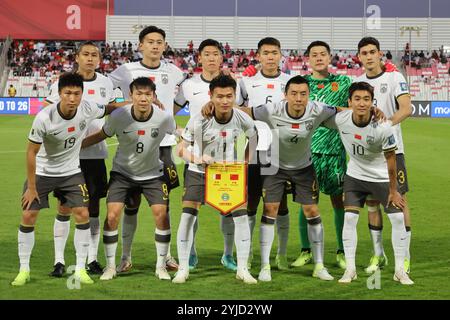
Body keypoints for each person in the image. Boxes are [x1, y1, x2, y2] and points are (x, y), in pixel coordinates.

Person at [11, 73, 117, 286]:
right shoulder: (44, 117)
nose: (72, 98)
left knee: (82, 213)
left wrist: (133, 102)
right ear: (59, 94)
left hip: (71, 172)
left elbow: (109, 109)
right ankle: (24, 270)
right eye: (67, 93)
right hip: (43, 172)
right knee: (28, 215)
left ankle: (80, 269)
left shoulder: (87, 108)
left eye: (76, 93)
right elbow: (31, 152)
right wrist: (31, 187)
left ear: (82, 94)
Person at [108, 25, 186, 273]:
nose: (155, 45)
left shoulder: (174, 71)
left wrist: (172, 126)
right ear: (140, 45)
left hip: (164, 147)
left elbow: (178, 102)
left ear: (165, 45)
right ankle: (125, 257)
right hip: (134, 145)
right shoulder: (125, 71)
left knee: (164, 204)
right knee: (130, 205)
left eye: (159, 42)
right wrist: (127, 101)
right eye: (150, 41)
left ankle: (167, 257)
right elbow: (107, 100)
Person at [82, 77, 176, 281]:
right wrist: (75, 146)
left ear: (154, 96)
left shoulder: (163, 117)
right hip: (122, 174)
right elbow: (100, 135)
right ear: (131, 96)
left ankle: (160, 266)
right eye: (138, 94)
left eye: (147, 94)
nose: (143, 98)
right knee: (112, 215)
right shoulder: (118, 116)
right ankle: (110, 266)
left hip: (153, 175)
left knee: (161, 214)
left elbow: (179, 135)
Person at [322, 81, 413, 285]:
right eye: (357, 99)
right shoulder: (341, 118)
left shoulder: (383, 127)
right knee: (350, 219)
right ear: (350, 101)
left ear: (372, 102)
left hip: (381, 177)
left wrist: (393, 190)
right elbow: (319, 113)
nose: (361, 103)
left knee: (398, 219)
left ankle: (400, 269)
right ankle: (351, 270)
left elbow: (391, 160)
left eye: (366, 99)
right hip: (355, 176)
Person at [173, 74, 257, 285]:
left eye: (229, 96)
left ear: (235, 96)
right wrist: (197, 158)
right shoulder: (200, 119)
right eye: (219, 96)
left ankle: (243, 268)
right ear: (211, 95)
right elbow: (180, 149)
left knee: (240, 217)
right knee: (188, 216)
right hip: (199, 172)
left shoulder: (242, 118)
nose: (225, 101)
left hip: (229, 174)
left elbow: (255, 138)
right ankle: (183, 268)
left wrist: (244, 163)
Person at [45, 42, 115, 277]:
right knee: (65, 206)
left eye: (94, 55)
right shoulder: (63, 82)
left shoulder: (106, 83)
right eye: (85, 54)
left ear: (99, 59)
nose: (90, 58)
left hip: (95, 155)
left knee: (93, 206)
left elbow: (113, 112)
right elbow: (49, 115)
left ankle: (92, 258)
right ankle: (59, 260)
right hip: (66, 158)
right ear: (77, 57)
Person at [173, 39, 241, 271]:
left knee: (228, 210)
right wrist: (177, 130)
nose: (211, 58)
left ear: (222, 58)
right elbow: (170, 110)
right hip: (196, 158)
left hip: (227, 157)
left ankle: (228, 255)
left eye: (216, 54)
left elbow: (241, 113)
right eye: (207, 54)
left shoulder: (234, 85)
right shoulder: (188, 85)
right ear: (199, 58)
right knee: (192, 209)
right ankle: (190, 253)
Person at [292, 41, 352, 270]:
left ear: (330, 57)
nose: (319, 58)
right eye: (314, 55)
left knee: (340, 202)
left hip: (336, 151)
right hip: (308, 153)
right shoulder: (302, 84)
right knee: (307, 202)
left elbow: (357, 102)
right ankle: (305, 250)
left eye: (323, 54)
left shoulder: (343, 82)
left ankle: (341, 251)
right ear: (308, 59)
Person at [355, 37, 413, 274]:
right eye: (364, 53)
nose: (368, 56)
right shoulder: (357, 81)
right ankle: (378, 255)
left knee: (398, 200)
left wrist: (386, 125)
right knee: (371, 203)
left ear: (380, 54)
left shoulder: (394, 77)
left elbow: (406, 109)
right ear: (358, 57)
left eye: (372, 52)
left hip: (392, 150)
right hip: (366, 153)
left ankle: (405, 257)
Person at [237, 37, 293, 270]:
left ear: (281, 55)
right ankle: (248, 253)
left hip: (282, 152)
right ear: (258, 56)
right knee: (250, 203)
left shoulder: (291, 82)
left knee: (279, 205)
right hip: (253, 150)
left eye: (274, 52)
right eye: (266, 53)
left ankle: (280, 254)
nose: (270, 57)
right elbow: (235, 110)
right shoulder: (246, 82)